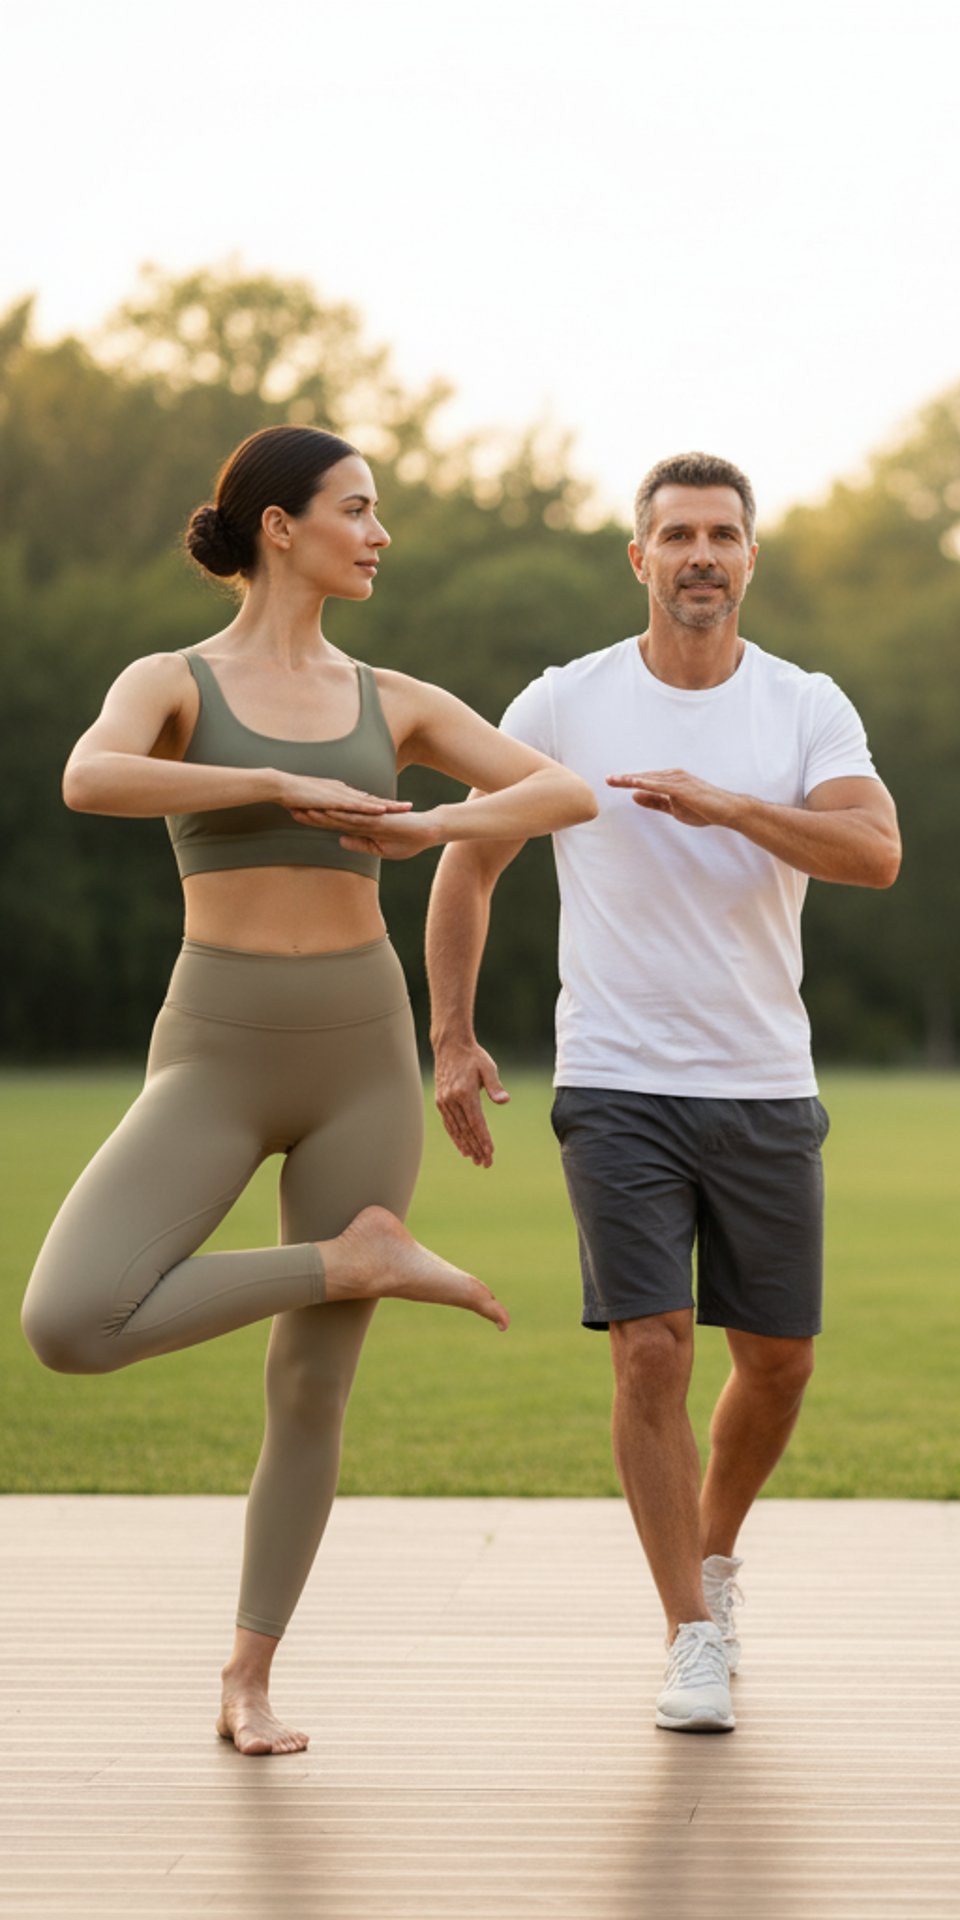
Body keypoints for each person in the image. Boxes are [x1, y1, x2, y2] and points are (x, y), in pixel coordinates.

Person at [20, 425, 597, 1755]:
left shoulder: (392, 701)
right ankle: (361, 1259)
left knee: (308, 1396)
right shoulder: (169, 679)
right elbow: (89, 774)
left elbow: (564, 791)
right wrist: (272, 781)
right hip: (215, 1048)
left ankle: (248, 1680)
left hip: (359, 1051)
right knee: (71, 1319)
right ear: (279, 526)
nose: (379, 533)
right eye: (358, 509)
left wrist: (436, 823)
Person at [427, 451, 900, 1735]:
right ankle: (691, 1633)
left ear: (753, 558)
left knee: (781, 1363)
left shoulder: (803, 706)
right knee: (651, 1352)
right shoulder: (565, 703)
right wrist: (453, 1036)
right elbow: (469, 863)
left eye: (724, 535)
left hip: (763, 1081)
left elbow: (876, 851)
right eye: (677, 534)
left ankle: (713, 1557)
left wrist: (734, 810)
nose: (702, 554)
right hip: (618, 1079)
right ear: (637, 557)